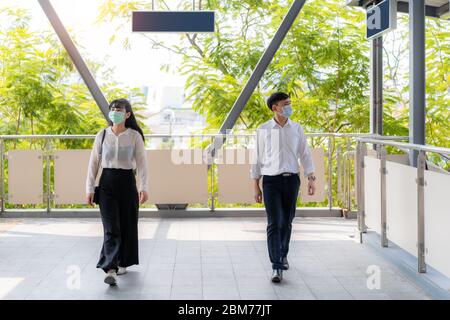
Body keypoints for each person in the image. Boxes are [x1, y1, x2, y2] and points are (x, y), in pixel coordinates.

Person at [250, 92, 316, 283]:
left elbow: (305, 154)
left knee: (287, 221)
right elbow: (257, 158)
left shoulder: (296, 128)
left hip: (292, 181)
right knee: (274, 222)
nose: (289, 106)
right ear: (275, 108)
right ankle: (276, 266)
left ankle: (283, 254)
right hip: (271, 182)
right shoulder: (263, 130)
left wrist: (311, 177)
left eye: (290, 103)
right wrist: (256, 185)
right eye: (285, 104)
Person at [85, 98, 148, 286]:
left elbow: (143, 165)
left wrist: (143, 187)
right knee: (111, 227)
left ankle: (122, 261)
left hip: (127, 183)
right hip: (107, 184)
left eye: (119, 109)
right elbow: (93, 164)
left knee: (127, 225)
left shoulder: (134, 136)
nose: (115, 112)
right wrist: (89, 188)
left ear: (127, 114)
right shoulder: (102, 135)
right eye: (112, 109)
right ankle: (110, 268)